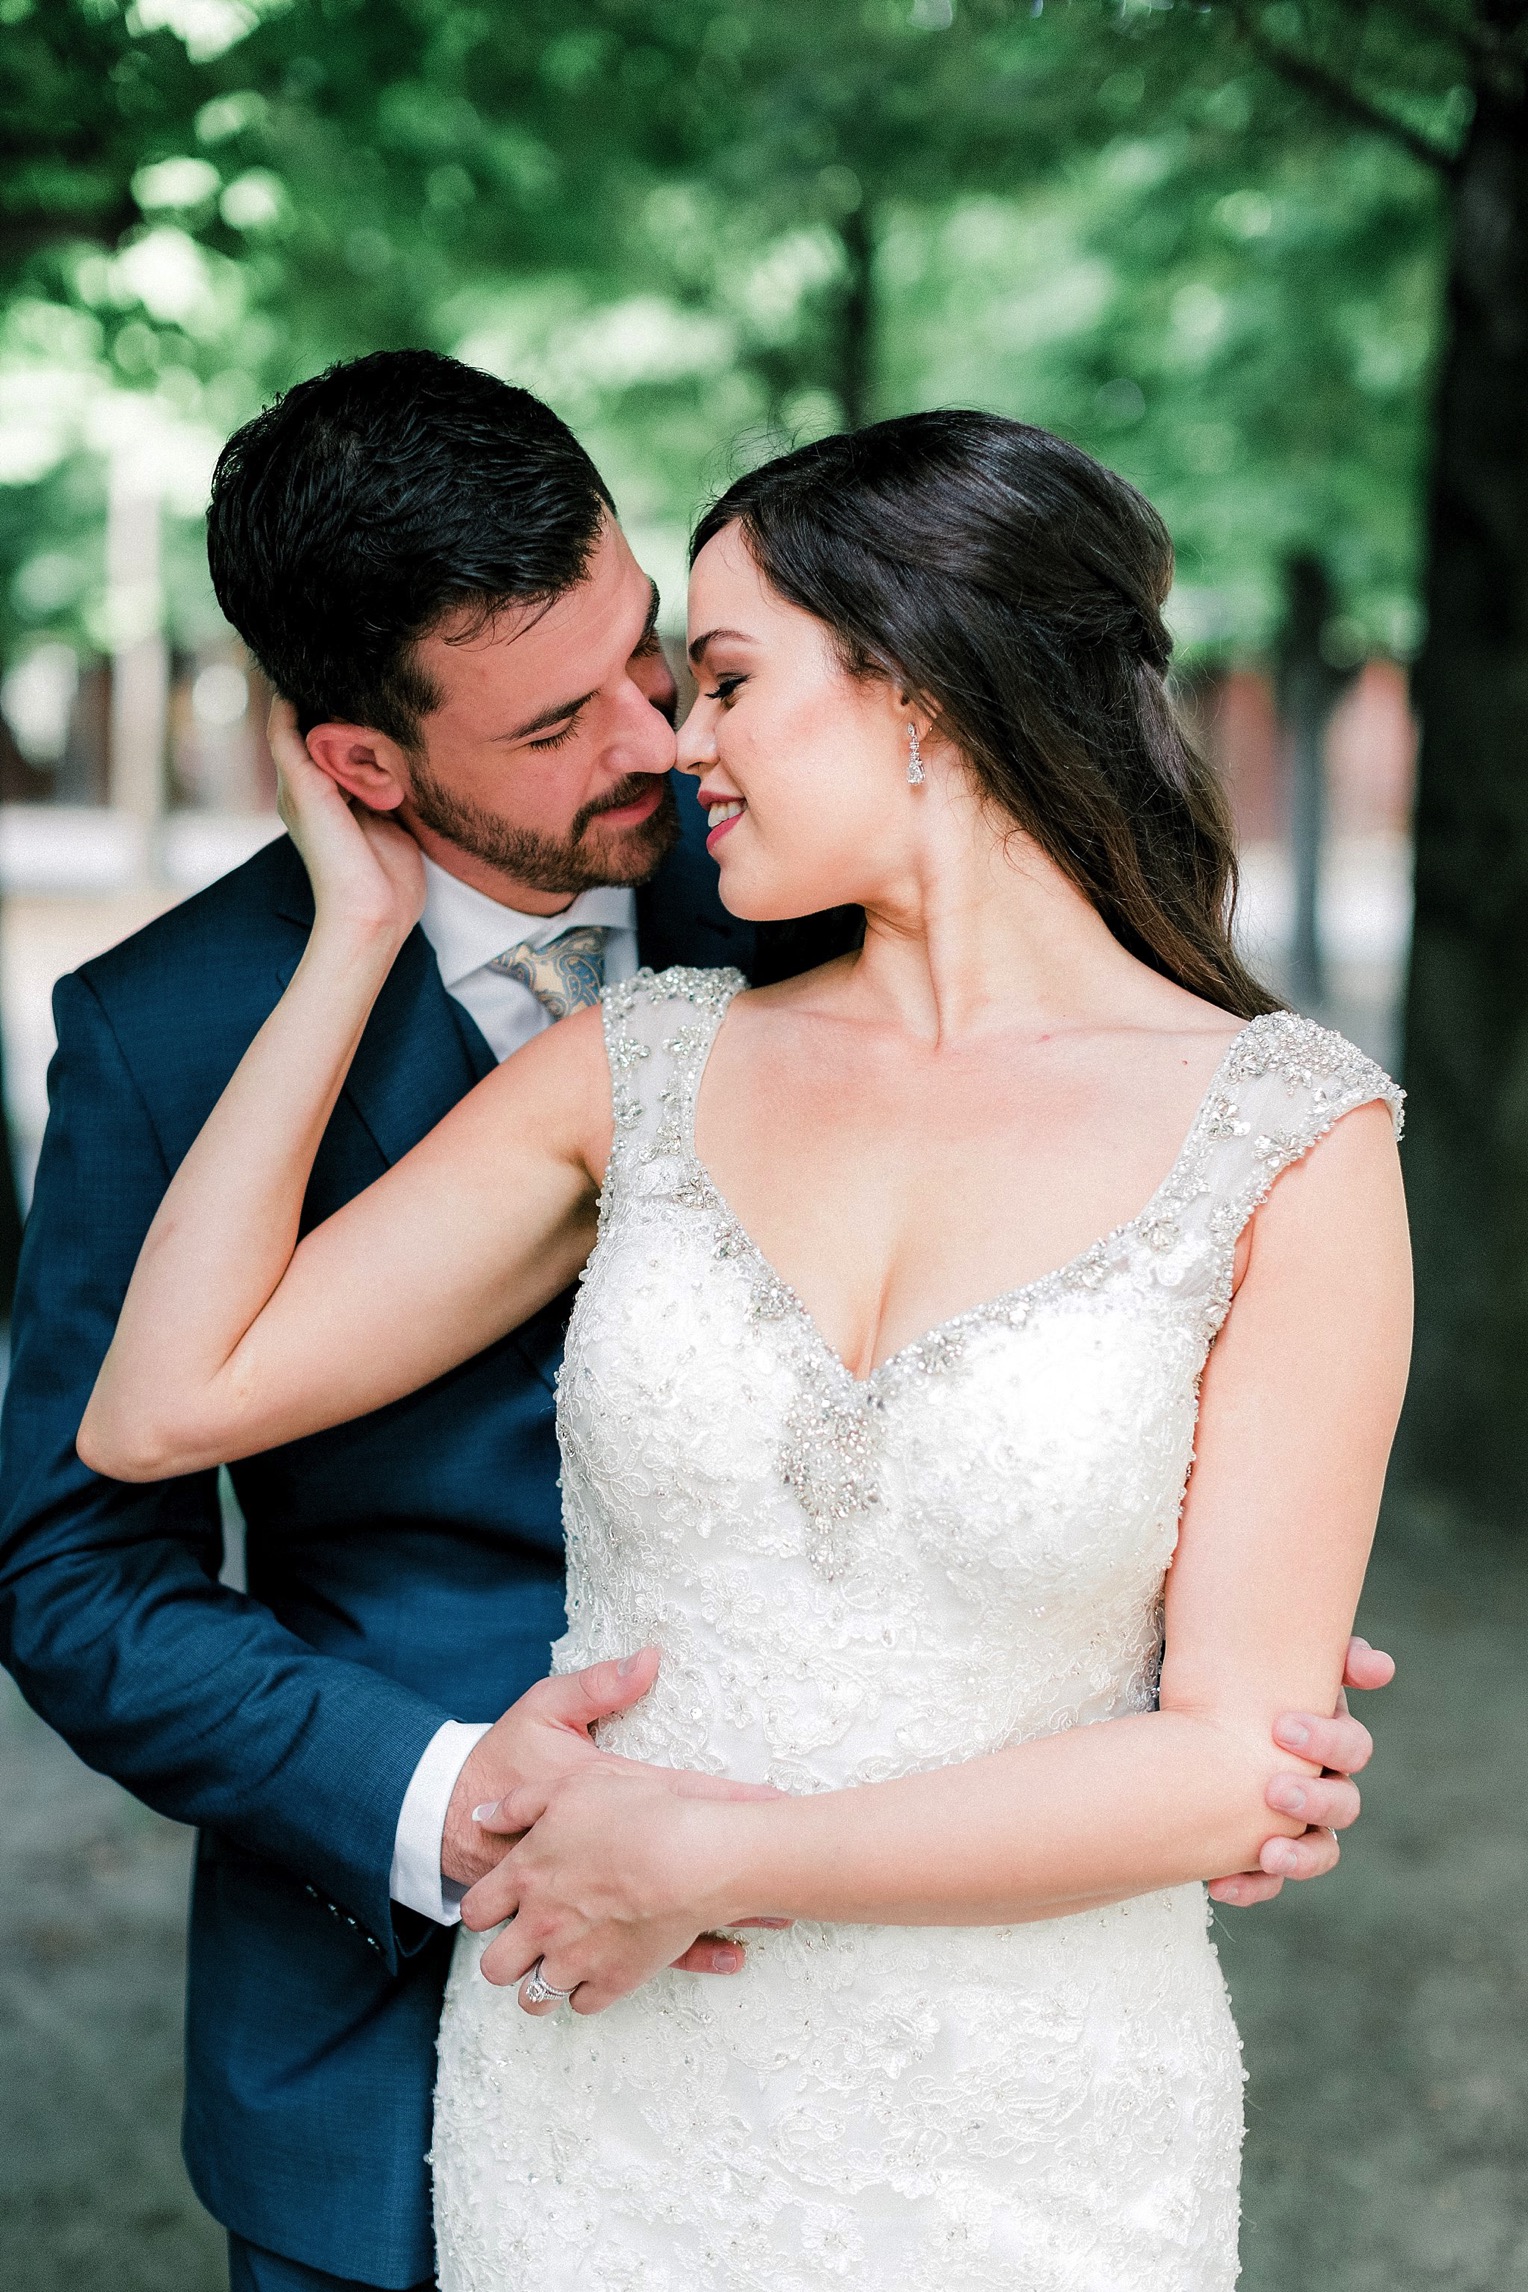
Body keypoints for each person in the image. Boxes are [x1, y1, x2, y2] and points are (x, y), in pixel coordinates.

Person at [0, 360, 1386, 2292]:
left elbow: (1103, 1527)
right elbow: (95, 1524)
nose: (666, 740)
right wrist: (352, 936)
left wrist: (1171, 1598)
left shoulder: (829, 914)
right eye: (574, 717)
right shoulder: (277, 1040)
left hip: (1001, 2081)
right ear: (369, 763)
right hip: (453, 2021)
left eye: (681, 662)